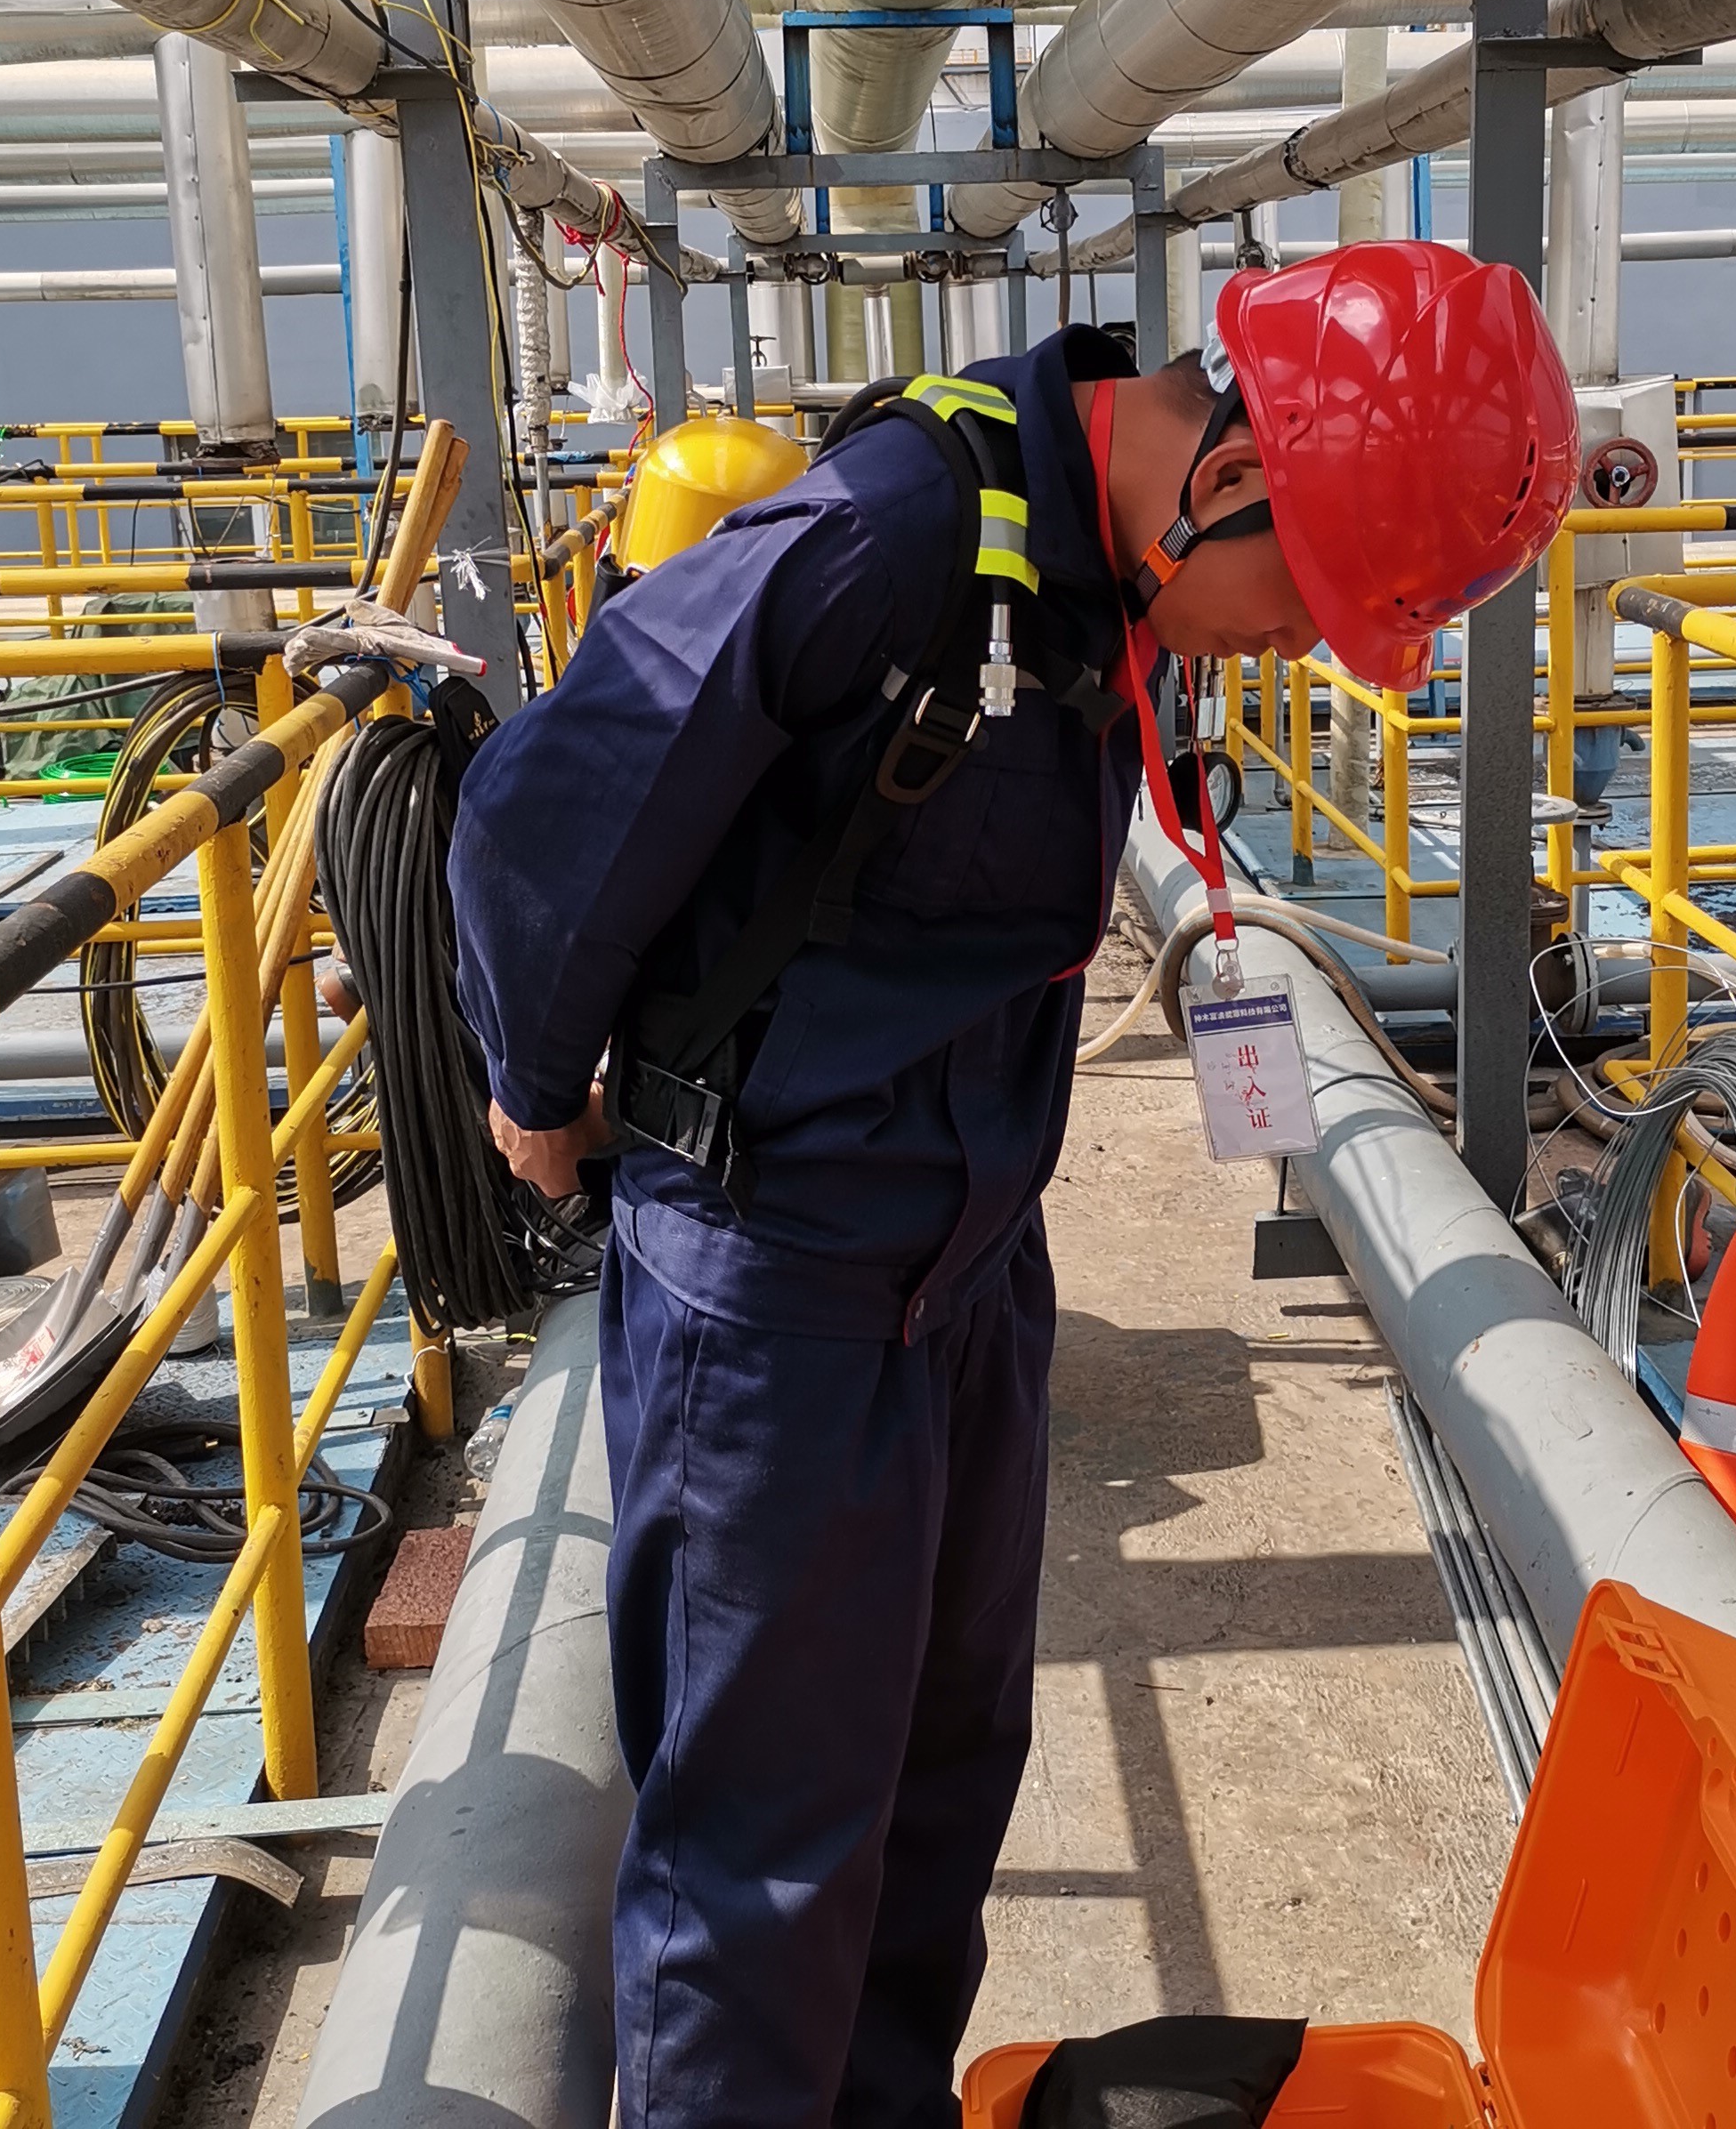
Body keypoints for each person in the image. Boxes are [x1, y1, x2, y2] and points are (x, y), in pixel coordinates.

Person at [448, 238, 1579, 2129]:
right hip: (782, 1291)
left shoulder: (1099, 583)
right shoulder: (893, 538)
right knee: (760, 1872)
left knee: (935, 1789)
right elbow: (547, 804)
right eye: (1303, 602)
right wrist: (534, 1081)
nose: (1293, 650)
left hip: (966, 1272)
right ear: (1229, 474)